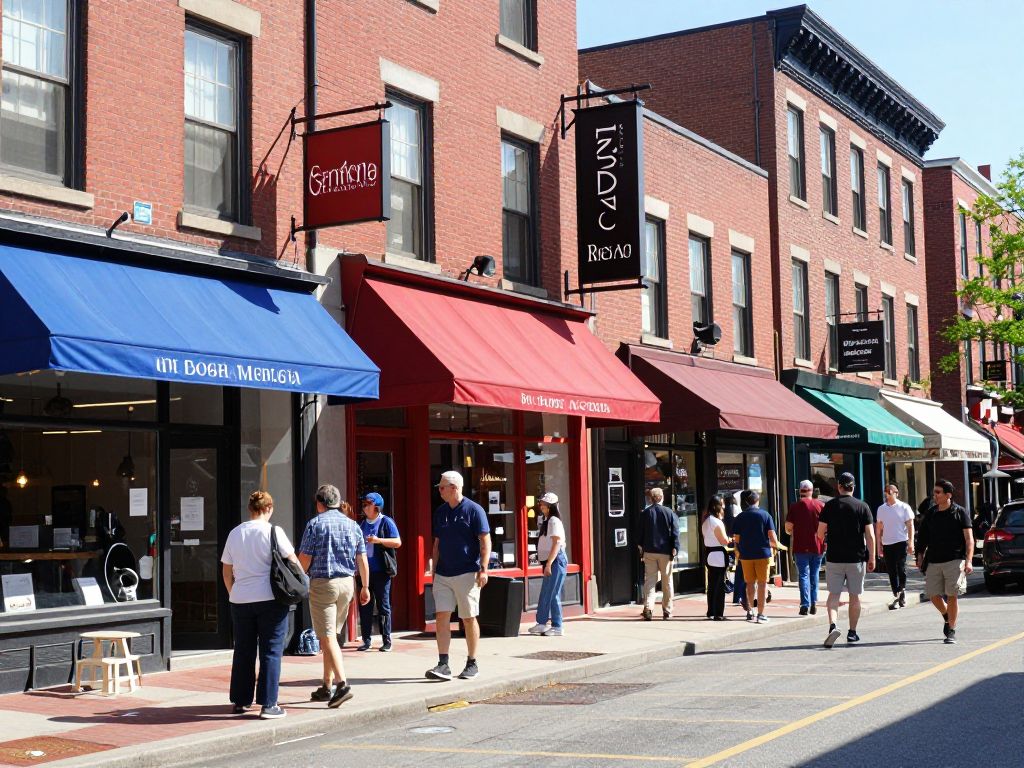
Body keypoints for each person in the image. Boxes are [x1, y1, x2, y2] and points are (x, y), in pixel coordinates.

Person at [220, 490, 299, 720]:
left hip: (241, 599)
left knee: (243, 650)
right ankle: (268, 704)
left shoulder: (235, 533)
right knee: (271, 651)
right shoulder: (274, 531)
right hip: (271, 599)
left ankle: (240, 700)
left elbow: (226, 571)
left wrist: (233, 592)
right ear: (268, 509)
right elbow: (292, 561)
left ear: (250, 509)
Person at [297, 484, 370, 708]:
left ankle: (342, 684)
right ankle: (327, 685)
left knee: (326, 637)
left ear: (320, 503)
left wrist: (298, 578)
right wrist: (364, 586)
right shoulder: (353, 525)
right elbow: (362, 560)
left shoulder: (314, 525)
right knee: (332, 636)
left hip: (323, 584)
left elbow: (304, 560)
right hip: (347, 584)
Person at [426, 470, 491, 681]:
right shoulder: (440, 512)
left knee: (468, 617)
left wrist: (484, 568)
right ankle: (443, 664)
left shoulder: (474, 510)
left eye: (442, 487)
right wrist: (433, 570)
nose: (439, 490)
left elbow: (485, 541)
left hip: (467, 572)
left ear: (454, 488)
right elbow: (437, 543)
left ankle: (472, 662)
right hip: (443, 573)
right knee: (441, 616)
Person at [817, 472, 876, 647]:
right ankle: (852, 632)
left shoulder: (829, 506)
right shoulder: (863, 506)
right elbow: (870, 535)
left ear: (839, 487)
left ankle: (833, 625)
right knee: (855, 596)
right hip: (856, 558)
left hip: (835, 557)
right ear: (853, 487)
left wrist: (825, 541)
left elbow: (820, 533)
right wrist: (872, 557)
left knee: (834, 595)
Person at [917, 479, 973, 644]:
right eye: (934, 492)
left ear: (948, 495)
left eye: (938, 492)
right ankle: (947, 616)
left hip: (955, 560)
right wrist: (919, 556)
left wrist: (968, 561)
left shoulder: (960, 512)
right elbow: (923, 538)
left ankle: (951, 630)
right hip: (934, 560)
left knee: (952, 595)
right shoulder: (931, 513)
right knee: (933, 595)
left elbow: (969, 539)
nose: (934, 495)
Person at [356, 492, 401, 652]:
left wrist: (378, 540)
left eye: (367, 504)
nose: (364, 507)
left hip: (381, 571)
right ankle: (366, 640)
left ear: (376, 507)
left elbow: (397, 542)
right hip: (363, 572)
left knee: (384, 606)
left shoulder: (386, 522)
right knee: (365, 606)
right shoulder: (361, 525)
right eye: (363, 504)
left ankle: (386, 640)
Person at [732, 489, 779, 624]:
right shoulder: (765, 515)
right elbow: (773, 537)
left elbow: (737, 539)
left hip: (745, 555)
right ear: (757, 501)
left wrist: (739, 551)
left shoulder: (740, 517)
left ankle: (750, 610)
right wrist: (773, 546)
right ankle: (761, 613)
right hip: (762, 554)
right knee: (762, 584)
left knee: (750, 583)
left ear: (746, 502)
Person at [636, 487, 680, 620]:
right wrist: (675, 547)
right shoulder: (669, 512)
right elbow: (675, 532)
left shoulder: (645, 513)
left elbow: (639, 533)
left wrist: (641, 548)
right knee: (667, 582)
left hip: (649, 551)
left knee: (650, 581)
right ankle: (667, 610)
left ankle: (648, 608)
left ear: (651, 498)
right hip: (665, 552)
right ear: (662, 497)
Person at [528, 492, 567, 636]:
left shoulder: (553, 521)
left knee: (552, 593)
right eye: (541, 502)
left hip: (556, 560)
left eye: (543, 503)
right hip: (551, 560)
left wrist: (549, 563)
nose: (541, 505)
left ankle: (557, 626)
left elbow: (557, 543)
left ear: (550, 506)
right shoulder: (547, 520)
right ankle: (542, 623)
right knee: (546, 592)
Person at [786, 479, 825, 616]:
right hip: (818, 545)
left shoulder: (794, 507)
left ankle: (804, 604)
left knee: (803, 575)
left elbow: (788, 528)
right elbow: (826, 527)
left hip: (800, 546)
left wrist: (792, 531)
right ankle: (814, 602)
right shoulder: (820, 505)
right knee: (814, 574)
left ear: (800, 491)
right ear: (812, 490)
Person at [876, 484, 915, 610]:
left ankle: (901, 591)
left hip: (901, 542)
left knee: (901, 568)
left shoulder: (904, 507)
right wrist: (879, 545)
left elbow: (910, 526)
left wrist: (911, 542)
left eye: (890, 492)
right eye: (886, 492)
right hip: (887, 543)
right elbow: (879, 528)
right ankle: (896, 594)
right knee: (891, 570)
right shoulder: (881, 509)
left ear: (896, 493)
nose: (887, 494)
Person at [702, 495, 730, 621]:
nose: (723, 507)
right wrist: (731, 539)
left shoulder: (706, 520)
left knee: (712, 585)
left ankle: (711, 611)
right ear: (717, 506)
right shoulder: (716, 522)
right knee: (719, 585)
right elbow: (724, 540)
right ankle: (718, 613)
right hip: (718, 555)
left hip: (709, 554)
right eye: (722, 504)